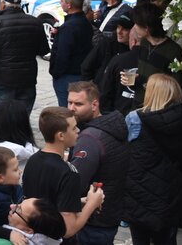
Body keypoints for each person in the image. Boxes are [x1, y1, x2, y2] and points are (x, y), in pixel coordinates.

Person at [123, 73, 182, 245]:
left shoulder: (136, 118)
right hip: (171, 190)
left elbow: (126, 147)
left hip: (139, 189)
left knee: (140, 239)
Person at [21, 107, 104, 241]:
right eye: (73, 128)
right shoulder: (69, 173)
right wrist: (92, 204)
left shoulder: (33, 160)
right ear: (61, 136)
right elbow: (68, 230)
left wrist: (79, 201)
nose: (78, 130)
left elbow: (48, 201)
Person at [65, 81, 129, 245]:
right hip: (109, 213)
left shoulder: (89, 138)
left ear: (94, 105)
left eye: (78, 104)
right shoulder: (110, 125)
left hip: (92, 220)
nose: (71, 108)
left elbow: (75, 182)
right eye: (69, 102)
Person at [0, 0, 50, 133]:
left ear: (3, 4)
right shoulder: (34, 22)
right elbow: (43, 50)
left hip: (1, 79)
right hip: (26, 79)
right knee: (21, 121)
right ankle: (18, 145)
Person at [49, 0, 92, 107]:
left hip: (68, 76)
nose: (60, 3)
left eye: (62, 1)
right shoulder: (84, 22)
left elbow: (63, 55)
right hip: (80, 72)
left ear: (69, 5)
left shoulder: (69, 27)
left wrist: (56, 73)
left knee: (67, 110)